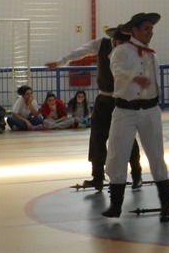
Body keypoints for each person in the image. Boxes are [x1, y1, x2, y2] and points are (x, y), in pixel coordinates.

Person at [46, 32, 142, 191]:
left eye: (123, 42)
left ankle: (137, 173)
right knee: (97, 138)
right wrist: (61, 61)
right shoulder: (102, 44)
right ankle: (97, 176)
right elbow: (81, 51)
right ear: (113, 38)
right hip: (103, 100)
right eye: (118, 41)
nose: (120, 44)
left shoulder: (130, 50)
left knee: (127, 137)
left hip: (122, 100)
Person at [102, 12, 169, 221]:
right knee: (117, 154)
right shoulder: (121, 51)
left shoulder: (152, 55)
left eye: (151, 29)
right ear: (134, 30)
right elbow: (117, 70)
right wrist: (134, 78)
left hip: (150, 110)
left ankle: (165, 207)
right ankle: (116, 205)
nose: (150, 32)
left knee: (156, 155)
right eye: (146, 29)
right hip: (125, 111)